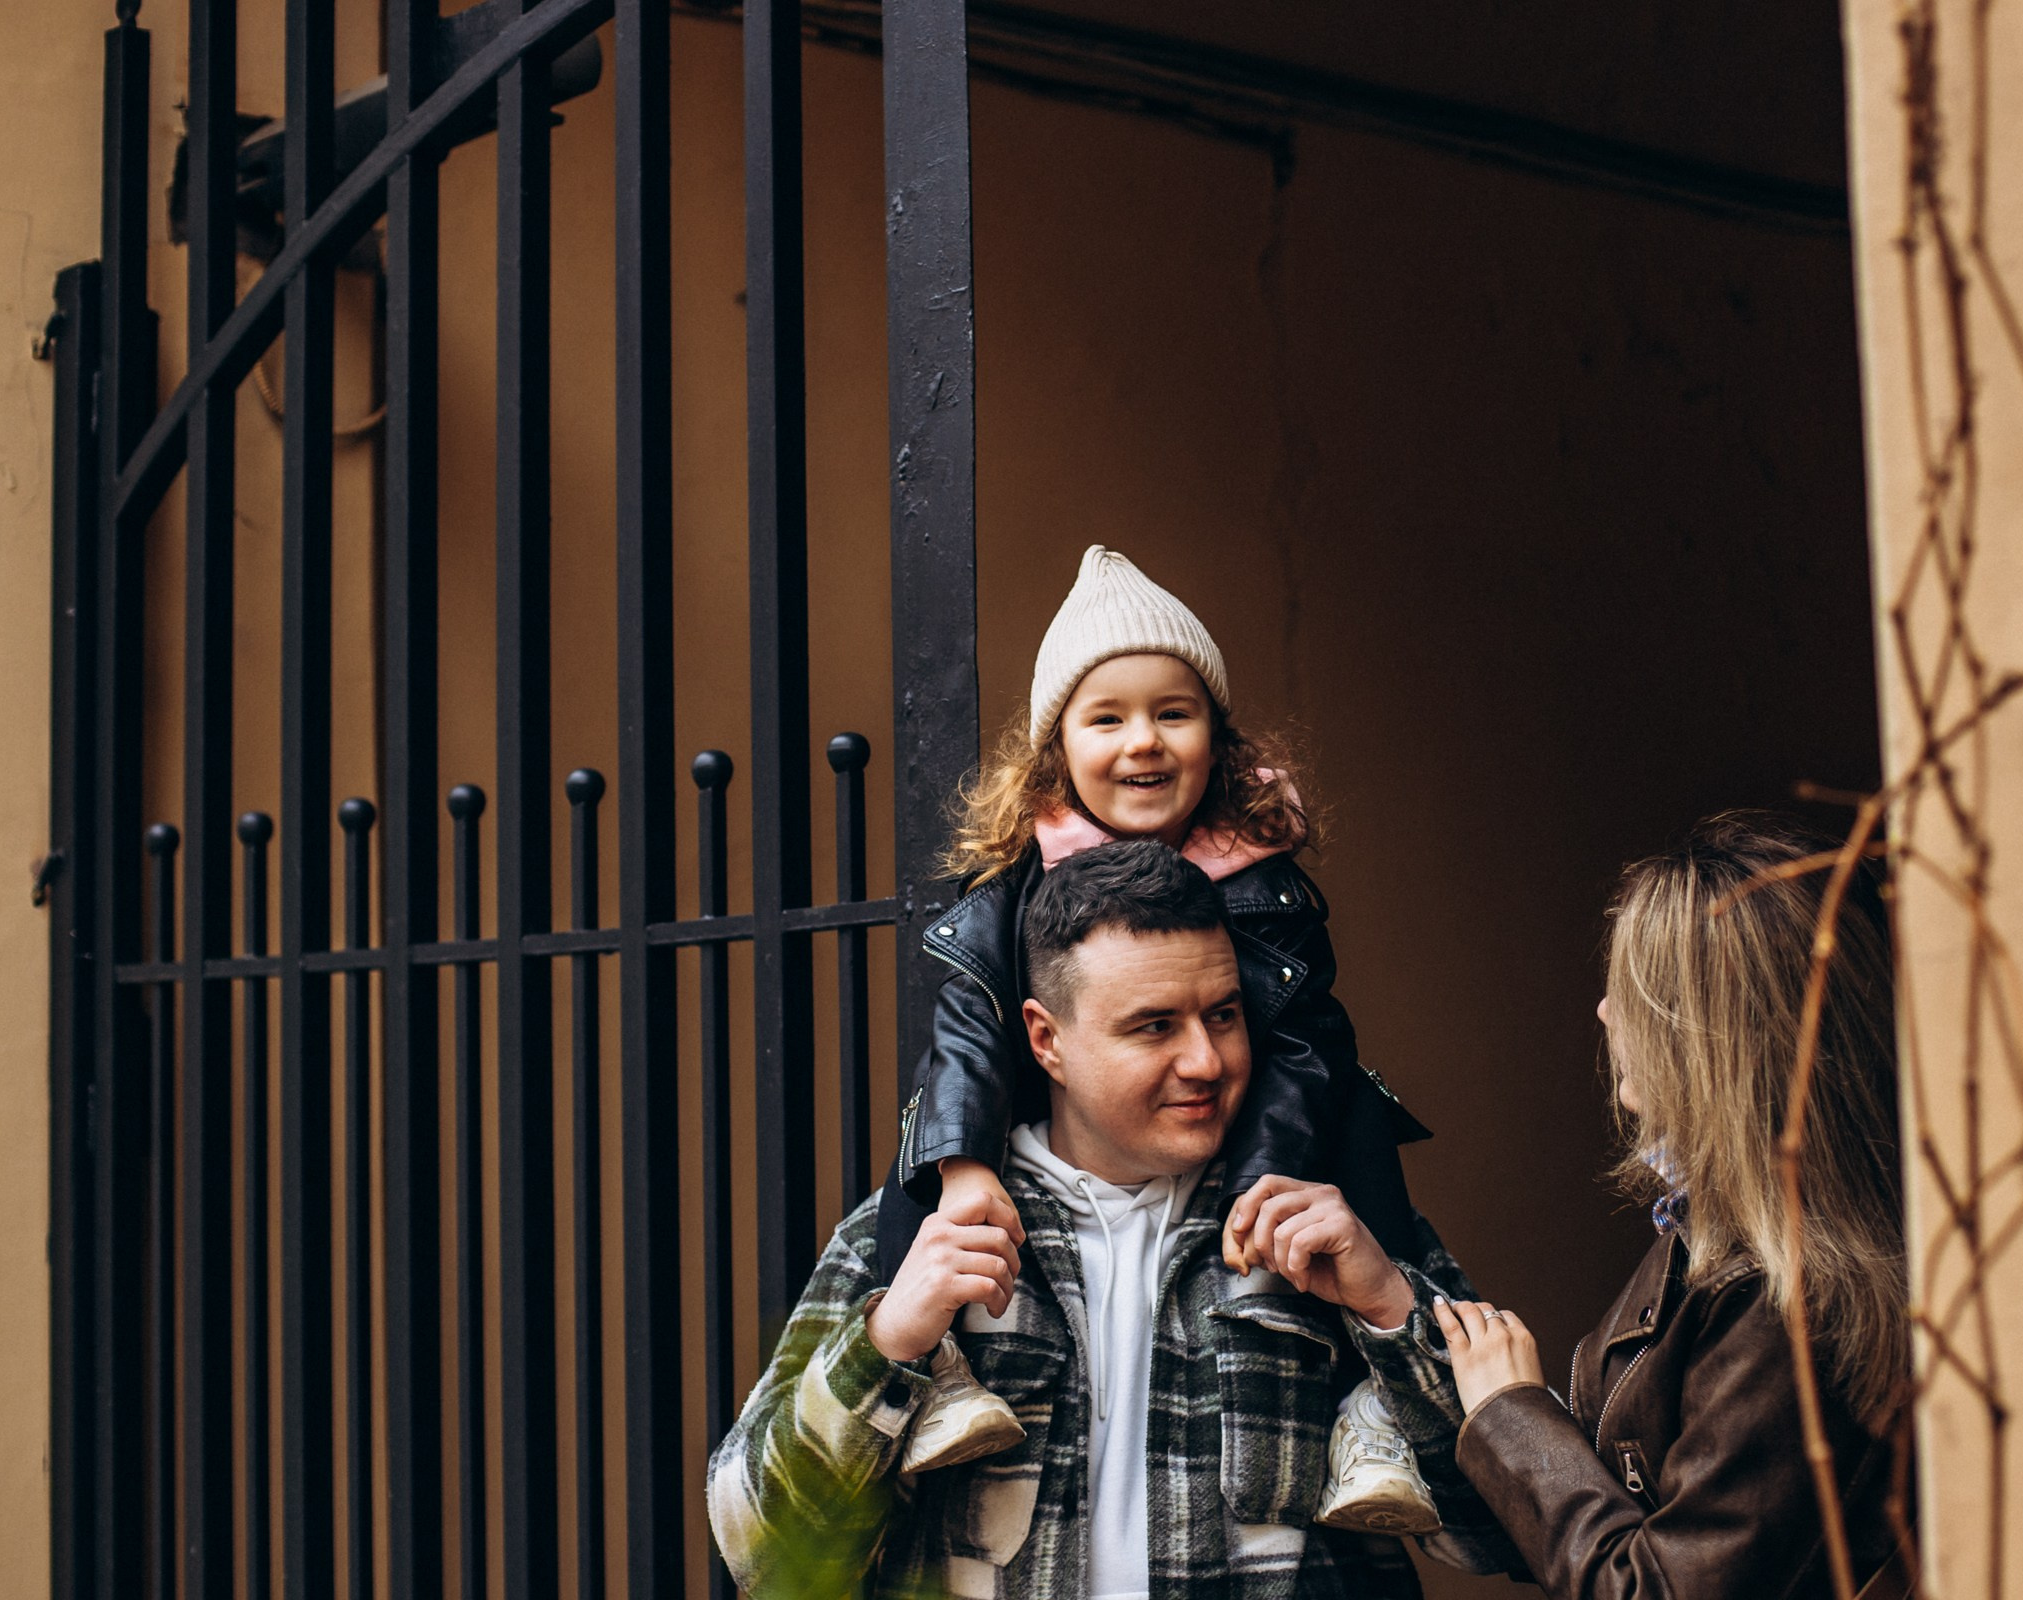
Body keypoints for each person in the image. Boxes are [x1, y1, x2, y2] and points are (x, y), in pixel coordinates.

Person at [707, 842, 1514, 1600]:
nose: (1205, 1061)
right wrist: (887, 1345)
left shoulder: (1326, 1231)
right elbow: (761, 1555)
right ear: (1045, 1039)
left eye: (1225, 1015)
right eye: (1155, 1025)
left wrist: (1392, 1314)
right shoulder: (918, 1233)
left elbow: (1506, 1537)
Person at [882, 545, 1438, 1531]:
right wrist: (965, 1169)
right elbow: (970, 1036)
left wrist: (1265, 1179)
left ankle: (1374, 1415)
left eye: (1172, 713)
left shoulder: (1264, 884)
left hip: (1264, 1148)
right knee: (924, 1134)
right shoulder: (1014, 895)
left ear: (1218, 740)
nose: (1143, 740)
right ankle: (936, 1372)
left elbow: (1301, 1045)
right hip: (1030, 1167)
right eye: (1108, 717)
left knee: (1352, 1092)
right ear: (1058, 751)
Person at [1432, 813, 1913, 1599]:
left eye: (1630, 994)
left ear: (1709, 1039)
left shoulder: (1786, 1298)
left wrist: (1513, 1413)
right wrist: (1388, 1301)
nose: (1603, 1014)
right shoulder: (1709, 1230)